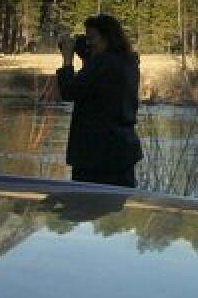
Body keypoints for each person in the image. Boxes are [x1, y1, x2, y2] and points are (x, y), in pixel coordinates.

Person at [57, 14, 144, 188]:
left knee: (84, 208)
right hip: (123, 151)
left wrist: (67, 60)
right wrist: (84, 53)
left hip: (96, 156)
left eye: (91, 38)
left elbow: (69, 90)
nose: (88, 44)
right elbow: (97, 82)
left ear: (107, 38)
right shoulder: (128, 62)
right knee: (114, 210)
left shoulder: (103, 64)